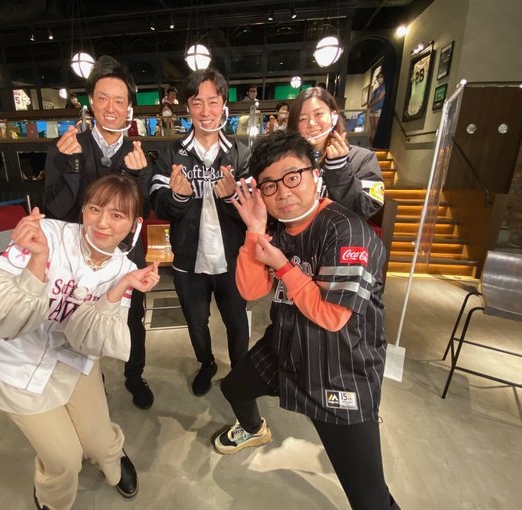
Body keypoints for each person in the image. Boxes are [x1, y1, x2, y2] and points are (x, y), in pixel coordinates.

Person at [213, 130, 399, 510]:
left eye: (292, 177)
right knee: (234, 387)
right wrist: (254, 231)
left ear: (315, 174)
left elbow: (332, 317)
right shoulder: (276, 228)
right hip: (285, 346)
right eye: (270, 185)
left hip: (340, 369)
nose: (282, 192)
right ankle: (253, 429)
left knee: (370, 499)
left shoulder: (347, 231)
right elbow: (251, 290)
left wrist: (283, 266)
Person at [0, 174, 160, 510]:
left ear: (134, 224)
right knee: (65, 458)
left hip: (71, 356)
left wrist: (118, 288)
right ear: (83, 209)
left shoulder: (124, 268)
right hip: (15, 362)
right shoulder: (46, 234)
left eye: (117, 215)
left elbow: (91, 340)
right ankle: (53, 500)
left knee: (99, 441)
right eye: (95, 209)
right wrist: (37, 261)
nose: (102, 223)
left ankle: (111, 458)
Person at [44, 55, 155, 410]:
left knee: (133, 319)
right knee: (77, 320)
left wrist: (139, 176)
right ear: (90, 101)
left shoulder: (137, 154)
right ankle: (93, 384)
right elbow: (58, 211)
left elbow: (140, 215)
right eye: (103, 98)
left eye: (119, 101)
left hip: (125, 260)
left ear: (129, 107)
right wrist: (72, 164)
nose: (111, 108)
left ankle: (135, 376)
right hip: (77, 260)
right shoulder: (67, 146)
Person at [150, 68, 250, 396]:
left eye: (213, 101)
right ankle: (206, 364)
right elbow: (158, 205)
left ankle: (240, 370)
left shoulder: (240, 153)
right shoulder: (171, 153)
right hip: (188, 259)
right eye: (197, 103)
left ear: (224, 105)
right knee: (196, 322)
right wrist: (177, 197)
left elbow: (254, 210)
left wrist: (233, 196)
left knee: (237, 321)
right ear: (188, 108)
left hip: (232, 259)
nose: (205, 111)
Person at [288, 87, 384, 219]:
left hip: (340, 230)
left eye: (318, 114)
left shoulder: (362, 158)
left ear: (333, 116)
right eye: (302, 119)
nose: (311, 123)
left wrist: (338, 169)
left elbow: (365, 209)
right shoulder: (286, 160)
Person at [368, 72, 386, 143]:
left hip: (378, 109)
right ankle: (371, 141)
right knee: (372, 127)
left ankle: (376, 141)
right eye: (378, 77)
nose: (379, 79)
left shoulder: (384, 87)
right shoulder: (376, 89)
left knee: (376, 127)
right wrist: (371, 106)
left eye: (381, 77)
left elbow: (380, 98)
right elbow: (372, 99)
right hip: (372, 109)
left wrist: (372, 104)